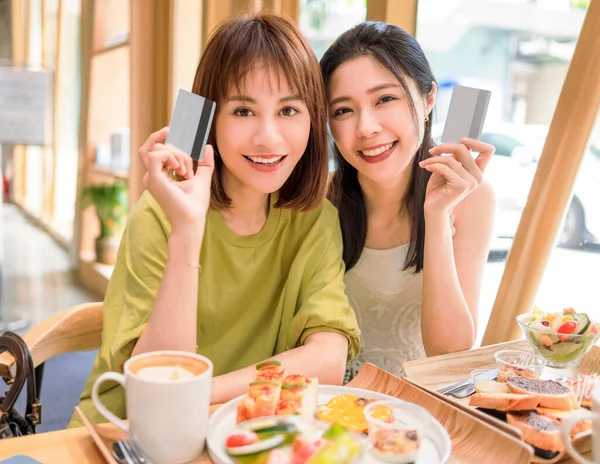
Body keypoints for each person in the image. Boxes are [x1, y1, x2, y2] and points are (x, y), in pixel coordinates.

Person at [70, 12, 360, 427]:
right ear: (208, 118)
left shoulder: (314, 219)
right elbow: (157, 379)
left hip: (236, 428)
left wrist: (200, 393)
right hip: (128, 433)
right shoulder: (159, 215)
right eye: (243, 111)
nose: (268, 137)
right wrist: (187, 230)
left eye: (288, 110)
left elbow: (328, 359)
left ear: (313, 119)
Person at [320, 21, 496, 381]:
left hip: (420, 415)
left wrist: (437, 215)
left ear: (428, 98)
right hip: (335, 409)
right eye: (343, 110)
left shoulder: (470, 197)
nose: (366, 127)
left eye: (385, 99)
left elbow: (449, 353)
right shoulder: (322, 197)